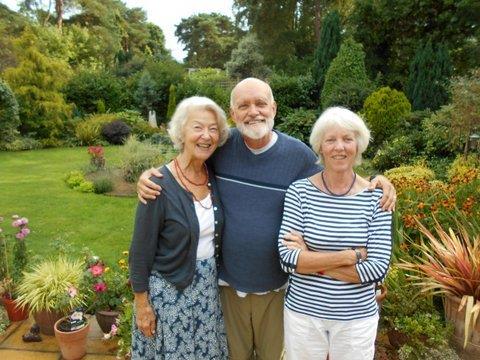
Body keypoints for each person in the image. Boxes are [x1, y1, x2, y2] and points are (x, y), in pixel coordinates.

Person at [137, 78, 396, 360]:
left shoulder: (299, 156)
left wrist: (378, 181)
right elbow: (188, 163)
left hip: (278, 291)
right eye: (244, 105)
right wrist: (150, 175)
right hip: (226, 290)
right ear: (233, 113)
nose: (253, 112)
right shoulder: (220, 147)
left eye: (260, 103)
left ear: (274, 107)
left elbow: (336, 173)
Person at [278, 106, 392, 360]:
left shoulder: (377, 198)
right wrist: (350, 256)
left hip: (356, 319)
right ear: (320, 146)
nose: (339, 147)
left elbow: (377, 269)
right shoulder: (299, 192)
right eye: (330, 140)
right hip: (303, 315)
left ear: (358, 145)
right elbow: (287, 260)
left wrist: (309, 257)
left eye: (347, 139)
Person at [129, 96, 230, 359]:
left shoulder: (213, 173)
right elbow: (140, 251)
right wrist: (142, 304)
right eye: (197, 127)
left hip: (207, 293)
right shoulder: (158, 185)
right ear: (181, 133)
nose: (206, 135)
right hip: (170, 296)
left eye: (213, 128)